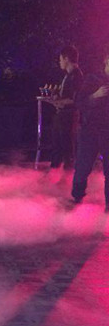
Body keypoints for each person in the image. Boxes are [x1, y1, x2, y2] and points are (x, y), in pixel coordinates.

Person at [70, 53, 109, 210]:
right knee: (83, 166)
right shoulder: (93, 79)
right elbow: (79, 102)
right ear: (106, 62)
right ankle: (77, 196)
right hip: (90, 130)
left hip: (107, 131)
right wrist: (95, 95)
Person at [50, 45, 83, 169]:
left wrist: (60, 101)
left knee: (66, 145)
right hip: (62, 114)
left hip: (69, 115)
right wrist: (57, 98)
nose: (59, 62)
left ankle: (67, 173)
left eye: (60, 59)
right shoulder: (68, 75)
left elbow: (76, 99)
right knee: (57, 143)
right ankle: (54, 170)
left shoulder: (76, 75)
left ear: (66, 59)